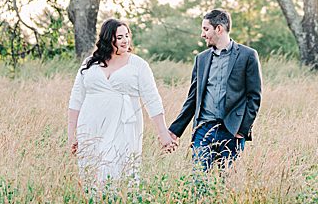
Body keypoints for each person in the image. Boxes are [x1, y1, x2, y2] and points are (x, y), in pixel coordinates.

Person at [67, 18, 177, 186]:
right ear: (108, 38)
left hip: (123, 125)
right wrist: (71, 135)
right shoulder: (90, 63)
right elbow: (76, 100)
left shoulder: (138, 65)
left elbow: (152, 99)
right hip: (90, 125)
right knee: (91, 172)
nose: (125, 40)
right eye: (119, 37)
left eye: (127, 35)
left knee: (116, 170)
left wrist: (163, 133)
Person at [168, 9, 262, 172]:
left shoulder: (248, 55)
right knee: (199, 183)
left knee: (226, 184)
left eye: (206, 29)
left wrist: (242, 131)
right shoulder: (201, 59)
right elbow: (193, 99)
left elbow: (254, 96)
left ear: (219, 29)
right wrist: (174, 131)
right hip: (203, 130)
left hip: (232, 131)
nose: (202, 34)